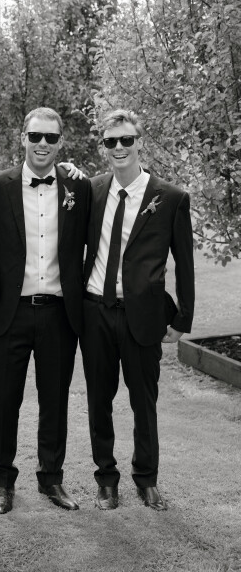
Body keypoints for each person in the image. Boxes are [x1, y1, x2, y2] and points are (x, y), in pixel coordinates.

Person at [81, 109, 194, 511]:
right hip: (95, 311)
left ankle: (147, 479)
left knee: (143, 402)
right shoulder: (92, 190)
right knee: (99, 400)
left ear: (138, 143)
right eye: (111, 141)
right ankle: (106, 479)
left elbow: (184, 263)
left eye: (126, 140)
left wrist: (182, 318)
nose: (119, 147)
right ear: (103, 147)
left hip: (143, 316)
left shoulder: (171, 197)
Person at [0, 107, 91, 514]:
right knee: (4, 400)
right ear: (22, 137)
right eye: (35, 136)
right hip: (9, 313)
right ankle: (2, 482)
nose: (42, 143)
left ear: (61, 142)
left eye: (50, 137)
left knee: (55, 400)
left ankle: (52, 478)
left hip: (60, 314)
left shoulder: (78, 188)